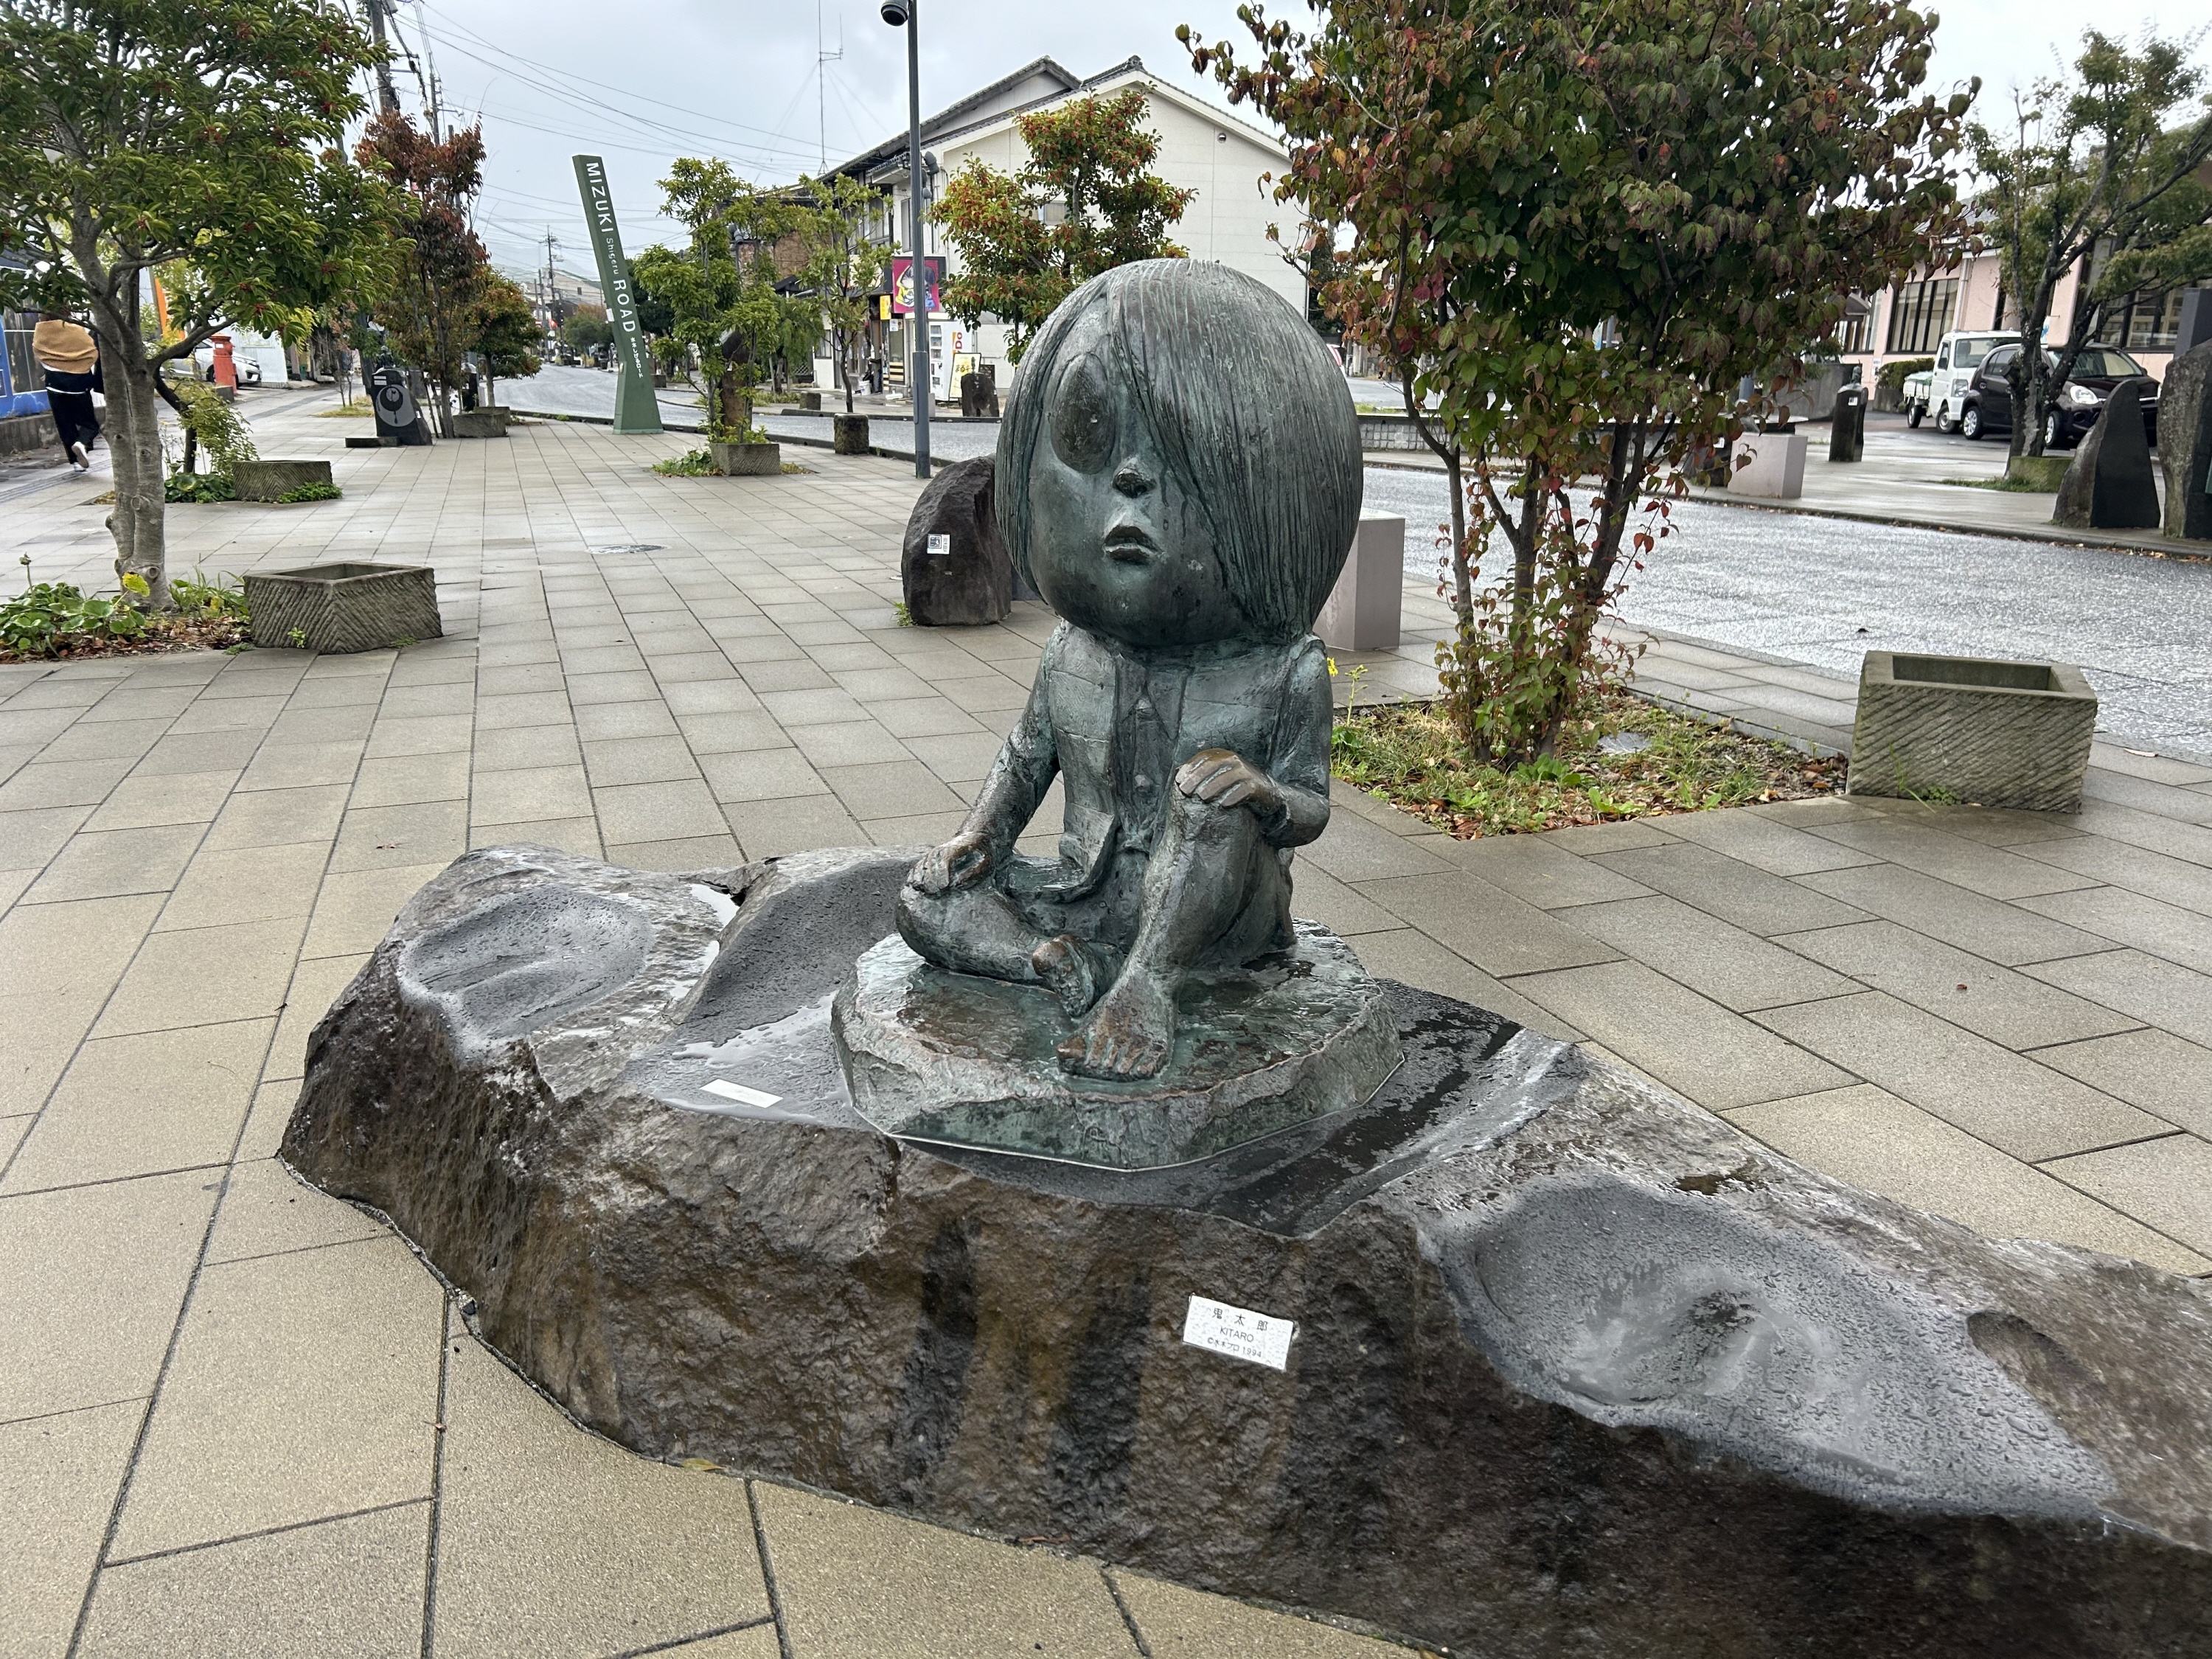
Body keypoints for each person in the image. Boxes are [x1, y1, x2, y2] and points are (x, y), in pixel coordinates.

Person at [894, 259, 1362, 1080]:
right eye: (1089, 443)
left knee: (1208, 793)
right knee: (921, 898)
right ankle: (1045, 960)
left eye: (1181, 456)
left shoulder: (1285, 671)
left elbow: (1311, 805)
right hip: (1088, 894)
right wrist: (980, 837)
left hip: (1220, 916)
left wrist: (1262, 795)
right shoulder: (1069, 653)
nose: (1133, 478)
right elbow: (1024, 758)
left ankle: (1149, 986)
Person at [32, 313, 102, 470]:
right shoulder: (74, 328)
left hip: (54, 384)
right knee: (89, 424)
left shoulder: (42, 330)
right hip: (78, 383)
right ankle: (82, 443)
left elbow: (37, 351)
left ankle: (76, 463)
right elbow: (91, 349)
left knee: (65, 424)